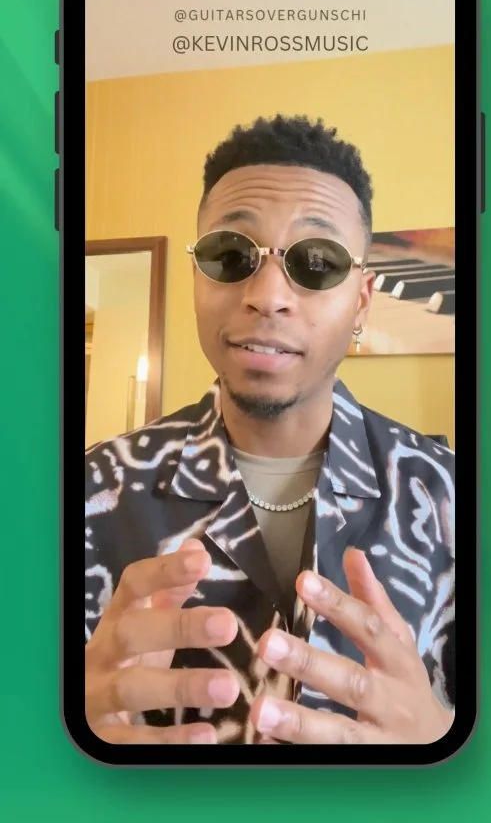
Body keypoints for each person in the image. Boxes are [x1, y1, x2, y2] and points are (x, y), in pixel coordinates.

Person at [85, 114, 455, 746]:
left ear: (363, 301)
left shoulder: (452, 494)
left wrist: (444, 741)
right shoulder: (89, 491)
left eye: (317, 262)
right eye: (230, 256)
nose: (267, 295)